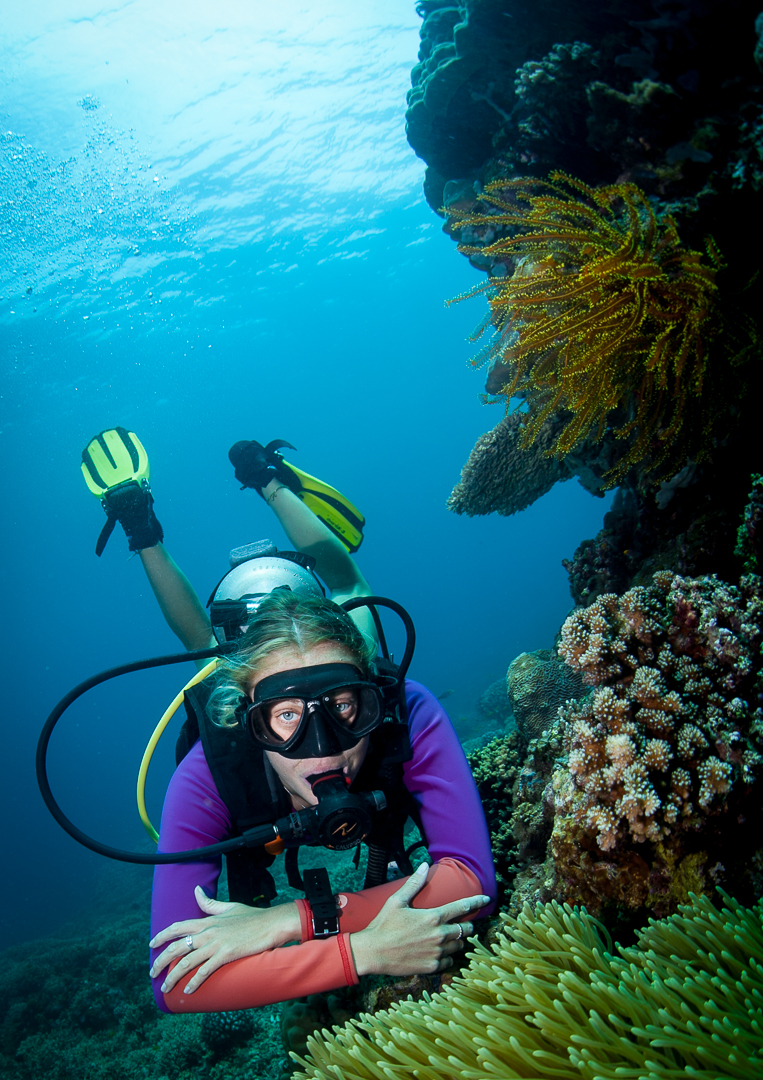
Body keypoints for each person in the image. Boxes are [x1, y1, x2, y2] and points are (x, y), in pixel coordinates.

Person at [80, 429, 497, 1014]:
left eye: (346, 708)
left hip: (338, 644)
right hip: (232, 670)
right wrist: (361, 953)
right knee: (208, 651)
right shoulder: (212, 771)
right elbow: (172, 982)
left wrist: (287, 921)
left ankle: (268, 478)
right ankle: (141, 528)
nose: (324, 751)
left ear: (369, 696)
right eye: (284, 717)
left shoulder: (405, 709)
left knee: (351, 590)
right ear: (248, 721)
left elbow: (473, 881)